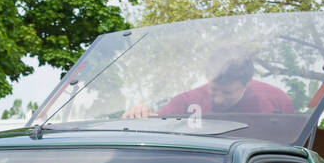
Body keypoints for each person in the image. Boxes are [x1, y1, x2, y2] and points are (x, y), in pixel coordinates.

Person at [124, 49, 294, 119]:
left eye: (227, 93)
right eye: (213, 90)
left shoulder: (276, 101)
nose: (218, 99)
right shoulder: (186, 102)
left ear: (247, 84)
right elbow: (156, 126)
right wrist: (139, 113)